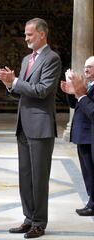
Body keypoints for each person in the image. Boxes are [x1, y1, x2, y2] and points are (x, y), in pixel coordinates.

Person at [0, 18, 61, 238]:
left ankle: (39, 222)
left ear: (42, 34)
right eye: (25, 34)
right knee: (25, 176)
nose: (26, 38)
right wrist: (9, 85)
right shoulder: (26, 60)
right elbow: (22, 90)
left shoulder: (52, 58)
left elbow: (42, 90)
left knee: (39, 177)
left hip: (41, 126)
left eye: (29, 34)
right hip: (23, 124)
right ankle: (28, 218)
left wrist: (15, 82)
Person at [61, 57, 94, 216]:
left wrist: (81, 95)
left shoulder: (87, 88)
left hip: (90, 136)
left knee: (92, 171)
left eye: (90, 67)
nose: (86, 69)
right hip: (84, 136)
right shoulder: (88, 86)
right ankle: (92, 201)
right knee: (88, 172)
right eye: (85, 66)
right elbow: (76, 105)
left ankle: (92, 204)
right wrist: (71, 93)